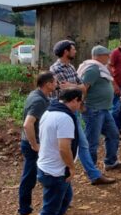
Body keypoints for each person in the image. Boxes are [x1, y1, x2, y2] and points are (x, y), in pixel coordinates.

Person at [49, 40, 115, 185]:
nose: (75, 51)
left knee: (82, 144)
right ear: (66, 51)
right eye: (73, 49)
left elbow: (82, 88)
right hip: (63, 112)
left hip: (74, 111)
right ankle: (82, 174)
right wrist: (75, 87)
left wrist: (73, 87)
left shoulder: (71, 67)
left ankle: (92, 174)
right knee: (76, 144)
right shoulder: (55, 69)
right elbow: (64, 92)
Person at [34, 88, 84, 215]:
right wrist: (71, 167)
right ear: (75, 100)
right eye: (80, 102)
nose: (80, 105)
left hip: (48, 166)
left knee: (65, 199)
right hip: (56, 170)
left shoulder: (50, 111)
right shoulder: (64, 118)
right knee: (51, 207)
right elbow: (64, 147)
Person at [17, 72, 57, 215]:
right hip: (32, 145)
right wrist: (35, 145)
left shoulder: (37, 94)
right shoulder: (39, 100)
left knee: (33, 176)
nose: (56, 85)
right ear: (47, 84)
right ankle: (24, 213)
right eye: (54, 82)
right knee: (29, 178)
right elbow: (27, 124)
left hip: (32, 144)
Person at [78, 46, 121, 176]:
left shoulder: (99, 68)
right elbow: (84, 88)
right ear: (99, 55)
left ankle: (110, 162)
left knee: (113, 134)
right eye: (106, 55)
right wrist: (81, 105)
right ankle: (90, 169)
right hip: (93, 110)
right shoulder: (93, 69)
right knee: (92, 141)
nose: (108, 57)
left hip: (103, 109)